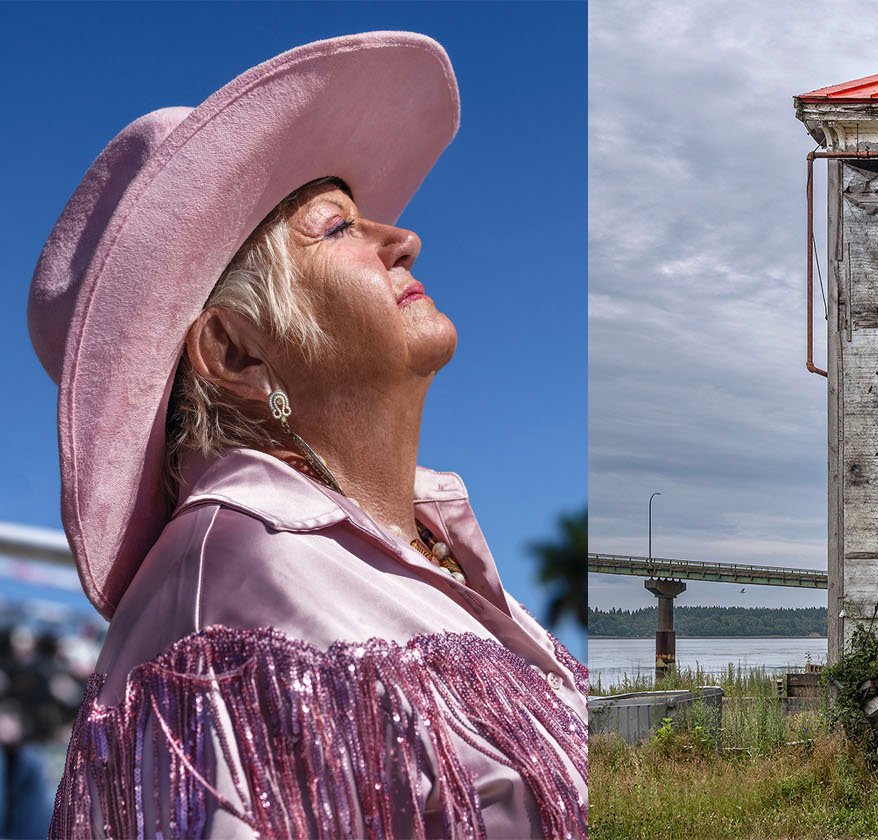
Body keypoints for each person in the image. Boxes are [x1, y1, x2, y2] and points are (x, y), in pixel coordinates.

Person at [26, 32, 586, 839]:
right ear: (235, 351)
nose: (403, 239)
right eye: (336, 228)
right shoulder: (231, 593)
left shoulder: (427, 546)